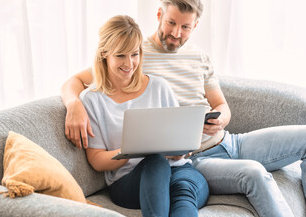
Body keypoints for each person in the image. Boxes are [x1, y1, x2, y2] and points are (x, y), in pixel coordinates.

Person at [61, 0, 306, 217]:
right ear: (159, 15)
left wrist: (217, 120)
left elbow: (221, 106)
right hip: (195, 158)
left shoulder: (196, 58)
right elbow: (81, 80)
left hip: (222, 143)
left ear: (195, 25)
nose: (176, 33)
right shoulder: (134, 52)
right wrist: (73, 104)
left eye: (185, 27)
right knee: (252, 174)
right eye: (171, 23)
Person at [79, 15, 209, 217]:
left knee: (183, 194)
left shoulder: (159, 87)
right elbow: (96, 160)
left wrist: (180, 149)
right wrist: (129, 150)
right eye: (121, 55)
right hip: (130, 180)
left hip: (177, 171)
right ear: (104, 54)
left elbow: (179, 145)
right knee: (155, 161)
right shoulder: (92, 99)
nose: (129, 63)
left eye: (134, 54)